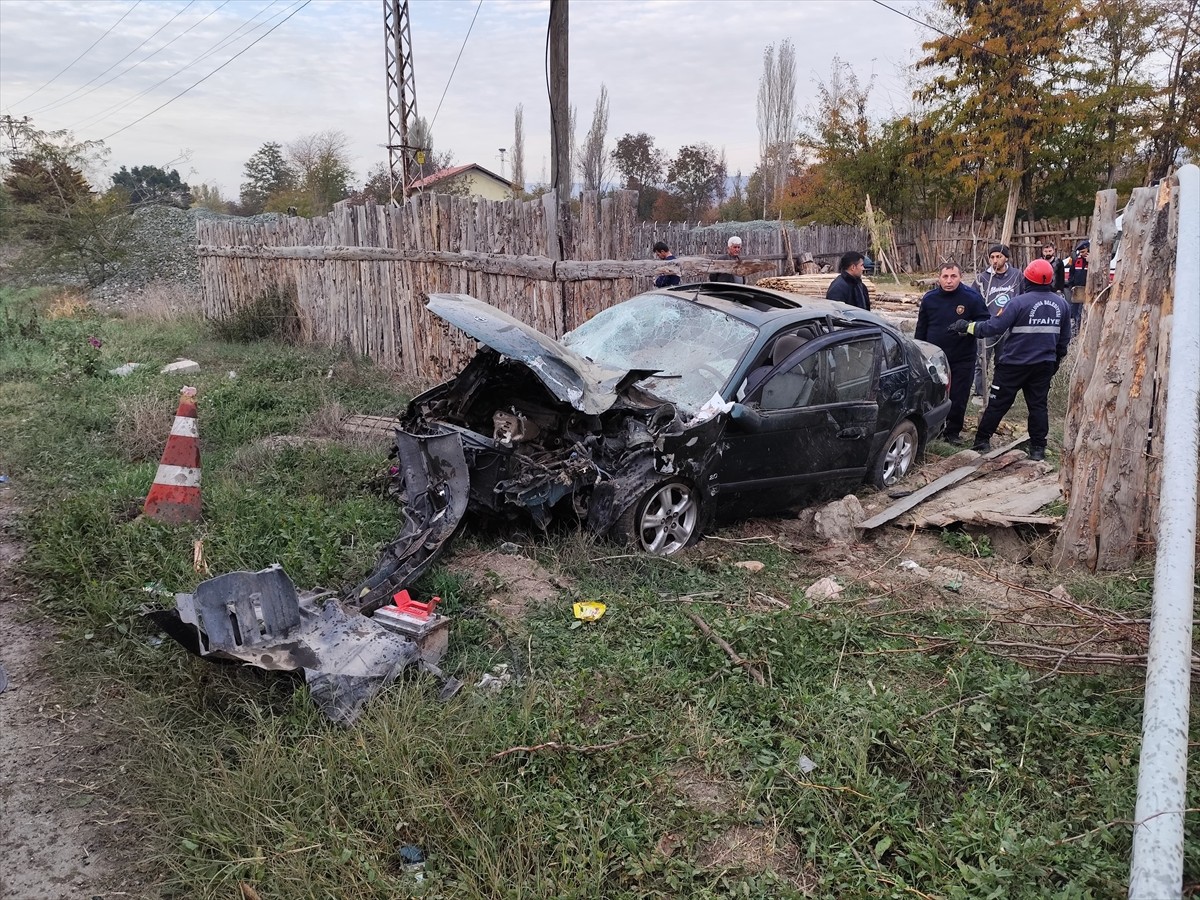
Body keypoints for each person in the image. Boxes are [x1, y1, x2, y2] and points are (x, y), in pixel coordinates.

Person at [949, 258, 1071, 462]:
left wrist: (966, 327)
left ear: (1027, 279)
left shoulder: (1018, 302)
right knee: (1038, 406)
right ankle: (1038, 448)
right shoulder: (1062, 304)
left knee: (997, 404)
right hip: (1043, 365)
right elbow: (1064, 339)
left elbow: (992, 328)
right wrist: (1055, 361)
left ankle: (981, 441)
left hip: (1013, 364)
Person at [914, 264, 989, 445]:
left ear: (960, 277)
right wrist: (918, 351)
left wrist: (967, 327)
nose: (949, 281)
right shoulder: (930, 299)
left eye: (953, 276)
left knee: (959, 395)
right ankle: (933, 429)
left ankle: (952, 432)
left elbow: (985, 322)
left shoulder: (971, 298)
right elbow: (921, 327)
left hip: (962, 357)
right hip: (934, 357)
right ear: (938, 278)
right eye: (945, 276)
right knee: (933, 393)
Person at [973, 244, 1022, 397]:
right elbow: (973, 298)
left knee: (1004, 362)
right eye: (992, 257)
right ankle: (980, 393)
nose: (995, 260)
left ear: (1006, 258)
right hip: (988, 326)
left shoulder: (1017, 276)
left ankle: (999, 391)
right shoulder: (982, 278)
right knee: (982, 361)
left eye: (998, 256)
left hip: (1008, 327)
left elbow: (1023, 297)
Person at [1065, 239, 1089, 335]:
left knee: (1083, 312)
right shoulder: (1076, 260)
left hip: (1087, 290)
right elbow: (1071, 273)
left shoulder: (1094, 260)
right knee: (1075, 312)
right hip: (1077, 290)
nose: (1082, 254)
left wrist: (1091, 262)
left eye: (1084, 251)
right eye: (1081, 252)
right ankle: (1076, 332)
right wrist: (1071, 285)